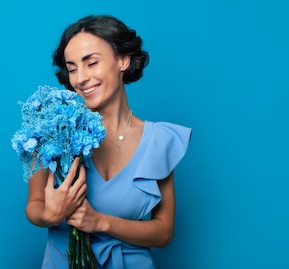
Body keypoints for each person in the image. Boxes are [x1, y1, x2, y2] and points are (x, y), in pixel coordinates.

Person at [24, 14, 192, 269]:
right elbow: (34, 205)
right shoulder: (53, 132)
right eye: (72, 68)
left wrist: (100, 222)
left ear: (123, 60)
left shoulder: (160, 141)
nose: (80, 78)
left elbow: (163, 232)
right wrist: (50, 214)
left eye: (91, 63)